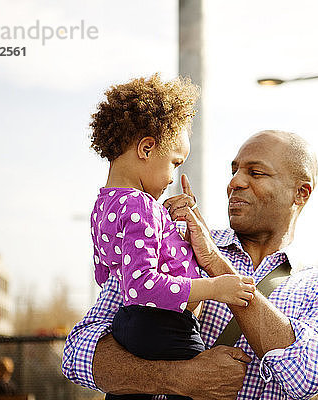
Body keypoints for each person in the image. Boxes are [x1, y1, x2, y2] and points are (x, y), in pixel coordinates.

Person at [62, 130, 318, 399]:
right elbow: (79, 353)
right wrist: (178, 378)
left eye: (255, 173)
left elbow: (303, 377)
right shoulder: (173, 241)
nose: (235, 182)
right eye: (234, 171)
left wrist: (216, 263)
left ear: (300, 193)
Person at [86, 75, 256, 400]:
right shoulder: (141, 205)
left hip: (132, 328)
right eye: (175, 163)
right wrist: (215, 288)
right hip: (166, 329)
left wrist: (167, 226)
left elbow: (106, 275)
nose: (174, 176)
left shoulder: (103, 205)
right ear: (147, 148)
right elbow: (141, 285)